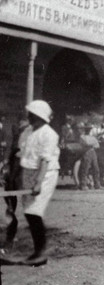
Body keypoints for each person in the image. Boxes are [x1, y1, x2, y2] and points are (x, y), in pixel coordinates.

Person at [10, 100, 60, 266]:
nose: (29, 117)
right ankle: (39, 251)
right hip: (29, 172)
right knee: (29, 212)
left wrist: (38, 183)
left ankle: (40, 253)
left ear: (40, 116)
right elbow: (21, 155)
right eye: (29, 114)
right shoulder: (27, 132)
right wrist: (13, 175)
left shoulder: (49, 134)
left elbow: (45, 161)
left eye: (32, 115)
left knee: (33, 212)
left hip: (45, 174)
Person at [1, 117, 29, 252]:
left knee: (10, 208)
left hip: (12, 174)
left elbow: (11, 149)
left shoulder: (10, 131)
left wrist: (5, 163)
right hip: (10, 173)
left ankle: (9, 241)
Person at [77, 123, 102, 190]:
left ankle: (97, 184)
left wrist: (92, 143)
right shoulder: (82, 137)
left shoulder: (92, 137)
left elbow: (97, 145)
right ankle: (83, 185)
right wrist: (92, 143)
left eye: (89, 129)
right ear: (85, 129)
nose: (88, 130)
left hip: (92, 152)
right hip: (86, 152)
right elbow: (86, 143)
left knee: (96, 169)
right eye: (87, 129)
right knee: (85, 168)